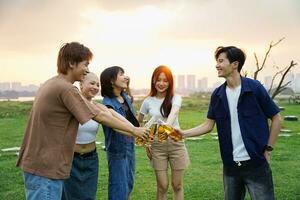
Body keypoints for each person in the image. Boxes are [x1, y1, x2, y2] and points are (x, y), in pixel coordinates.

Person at [16, 42, 148, 200]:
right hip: (46, 168)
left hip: (41, 165)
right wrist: (134, 130)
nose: (87, 70)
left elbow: (103, 111)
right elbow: (100, 116)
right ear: (72, 63)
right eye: (85, 64)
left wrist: (133, 128)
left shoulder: (52, 83)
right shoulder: (66, 88)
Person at [179, 46, 281, 200]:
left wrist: (268, 148)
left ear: (235, 64)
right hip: (230, 166)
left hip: (256, 163)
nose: (217, 65)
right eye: (217, 61)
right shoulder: (218, 95)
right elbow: (208, 125)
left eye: (221, 61)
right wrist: (183, 134)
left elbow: (277, 118)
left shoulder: (254, 89)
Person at [137, 65, 190, 200]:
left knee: (177, 185)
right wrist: (146, 142)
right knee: (162, 186)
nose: (161, 83)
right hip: (156, 146)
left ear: (170, 82)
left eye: (165, 80)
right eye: (158, 80)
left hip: (175, 141)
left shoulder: (176, 98)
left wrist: (166, 127)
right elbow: (140, 122)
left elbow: (174, 113)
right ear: (153, 81)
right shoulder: (147, 101)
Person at [100, 66, 140, 200]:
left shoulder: (124, 97)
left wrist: (127, 83)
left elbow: (128, 94)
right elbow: (116, 126)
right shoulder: (107, 103)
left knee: (128, 185)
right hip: (117, 151)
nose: (125, 77)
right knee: (118, 189)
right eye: (121, 74)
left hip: (130, 147)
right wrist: (137, 131)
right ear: (111, 80)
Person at [61, 72, 100, 200]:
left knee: (89, 196)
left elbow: (114, 119)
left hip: (91, 159)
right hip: (71, 159)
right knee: (69, 196)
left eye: (98, 84)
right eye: (92, 83)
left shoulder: (97, 108)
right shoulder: (70, 105)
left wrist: (134, 130)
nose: (95, 87)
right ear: (81, 84)